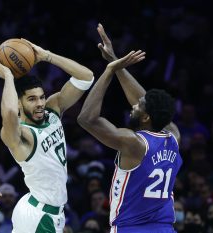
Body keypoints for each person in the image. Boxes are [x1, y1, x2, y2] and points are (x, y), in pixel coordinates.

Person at [77, 23, 183, 233]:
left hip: (131, 228)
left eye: (139, 107)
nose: (133, 105)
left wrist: (109, 70)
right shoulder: (173, 136)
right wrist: (116, 61)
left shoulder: (133, 143)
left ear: (145, 117)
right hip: (164, 229)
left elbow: (86, 119)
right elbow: (145, 100)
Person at [0, 38, 94, 233]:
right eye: (32, 99)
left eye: (41, 97)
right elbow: (10, 114)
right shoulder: (22, 136)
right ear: (20, 103)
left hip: (49, 211)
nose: (39, 103)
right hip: (39, 216)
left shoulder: (52, 110)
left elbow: (86, 77)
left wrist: (47, 56)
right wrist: (8, 77)